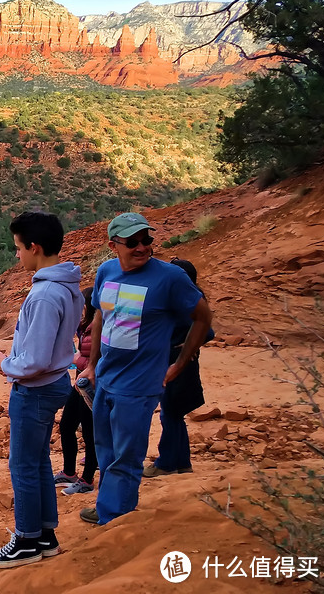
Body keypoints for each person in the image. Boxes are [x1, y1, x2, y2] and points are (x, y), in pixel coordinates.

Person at [78, 213, 212, 526]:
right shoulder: (106, 271)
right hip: (106, 379)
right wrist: (93, 365)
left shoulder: (169, 278)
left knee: (127, 454)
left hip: (139, 384)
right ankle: (107, 505)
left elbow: (203, 317)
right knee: (105, 448)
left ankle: (116, 518)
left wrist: (179, 364)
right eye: (133, 242)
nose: (142, 247)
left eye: (146, 240)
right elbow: (100, 317)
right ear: (114, 245)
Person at [0, 211, 82, 569]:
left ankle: (26, 539)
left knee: (22, 465)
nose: (16, 255)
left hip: (36, 388)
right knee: (38, 461)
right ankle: (45, 534)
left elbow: (36, 359)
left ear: (34, 247)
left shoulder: (43, 295)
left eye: (18, 248)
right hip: (55, 382)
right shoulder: (67, 285)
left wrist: (4, 364)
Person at [145, 259, 215, 478]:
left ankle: (166, 463)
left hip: (177, 362)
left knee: (170, 412)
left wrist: (187, 346)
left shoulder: (185, 302)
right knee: (174, 413)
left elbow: (208, 330)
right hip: (179, 359)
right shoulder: (189, 298)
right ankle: (183, 462)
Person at [54, 288, 99, 496]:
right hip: (80, 383)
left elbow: (96, 360)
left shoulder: (97, 328)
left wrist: (74, 360)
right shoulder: (85, 327)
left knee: (90, 433)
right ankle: (69, 472)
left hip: (91, 385)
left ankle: (87, 479)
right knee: (67, 424)